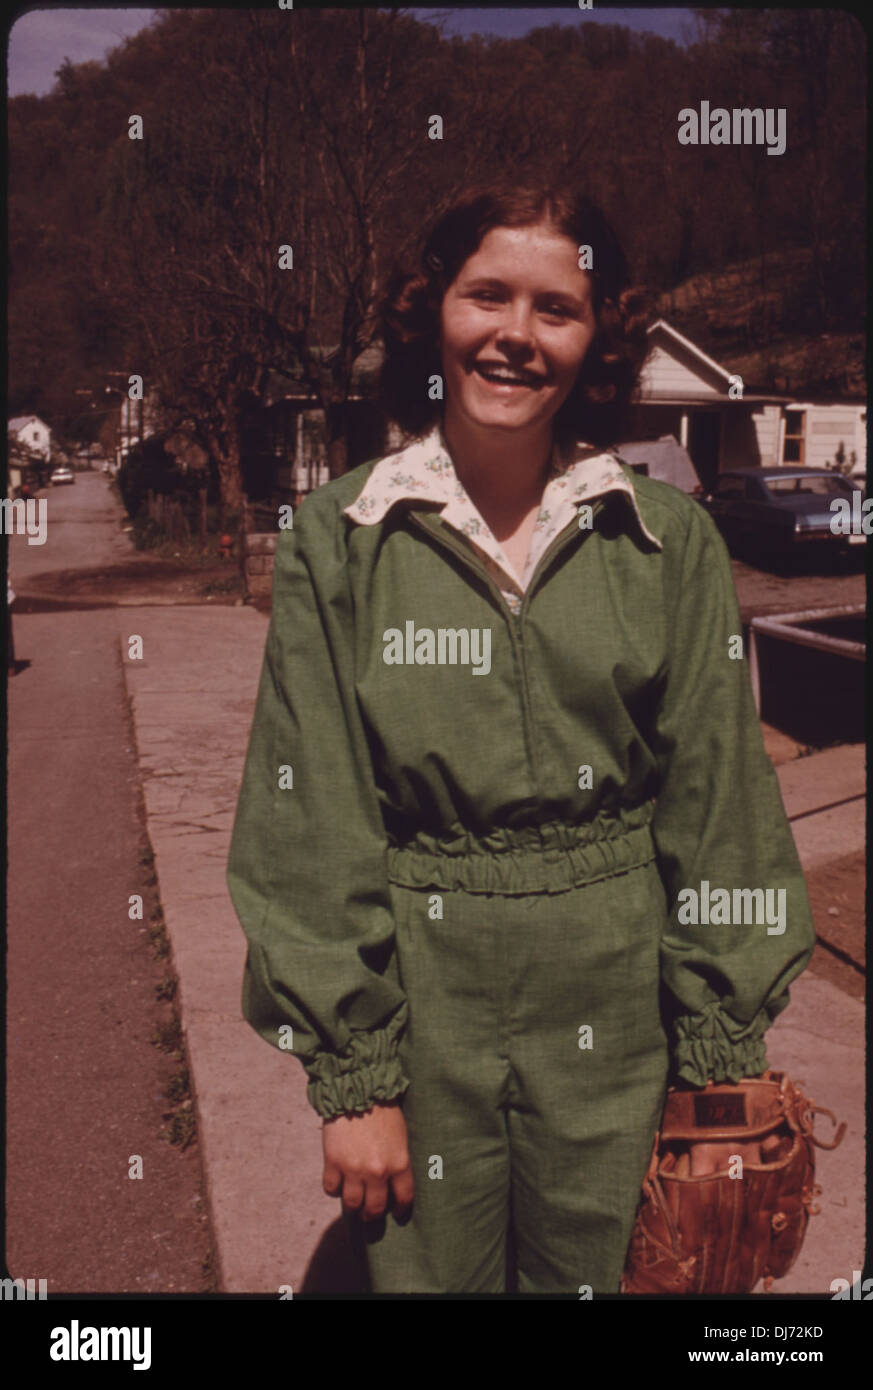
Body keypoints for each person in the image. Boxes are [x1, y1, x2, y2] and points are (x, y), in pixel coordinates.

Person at [227, 179, 815, 1294]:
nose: (516, 334)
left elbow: (721, 807)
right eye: (486, 295)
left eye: (557, 308)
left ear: (597, 340)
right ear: (432, 315)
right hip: (426, 997)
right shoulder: (339, 538)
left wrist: (721, 1053)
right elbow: (310, 815)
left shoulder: (665, 539)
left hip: (621, 1008)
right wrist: (355, 1081)